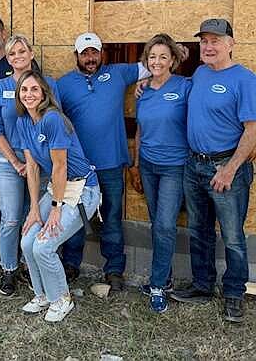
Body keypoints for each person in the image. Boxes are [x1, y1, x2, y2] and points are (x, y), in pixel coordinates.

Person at [170, 19, 256, 323]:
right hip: (194, 165)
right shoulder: (200, 72)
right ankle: (202, 285)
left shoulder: (244, 79)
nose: (208, 46)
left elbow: (252, 130)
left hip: (225, 167)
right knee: (199, 230)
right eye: (204, 41)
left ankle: (234, 294)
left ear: (231, 44)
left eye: (215, 41)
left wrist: (230, 169)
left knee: (232, 236)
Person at [57, 32, 151, 290]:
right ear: (76, 56)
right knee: (75, 217)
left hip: (111, 163)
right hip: (79, 167)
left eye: (94, 52)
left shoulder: (119, 73)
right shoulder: (63, 84)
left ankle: (114, 270)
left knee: (111, 217)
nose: (90, 58)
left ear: (101, 53)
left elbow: (155, 65)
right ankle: (71, 264)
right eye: (84, 53)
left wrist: (178, 51)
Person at [17, 70, 100, 322]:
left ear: (43, 93)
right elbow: (31, 168)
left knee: (44, 246)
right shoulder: (22, 122)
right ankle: (42, 295)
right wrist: (33, 209)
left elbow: (60, 166)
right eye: (24, 90)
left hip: (81, 189)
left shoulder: (52, 118)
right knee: (27, 242)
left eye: (34, 89)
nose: (29, 94)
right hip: (58, 188)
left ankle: (62, 299)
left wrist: (56, 208)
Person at [0, 34, 62, 296]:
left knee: (37, 216)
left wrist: (37, 162)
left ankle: (36, 268)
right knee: (10, 218)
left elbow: (55, 123)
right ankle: (9, 268)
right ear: (7, 58)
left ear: (31, 54)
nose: (18, 56)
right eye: (12, 53)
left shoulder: (49, 84)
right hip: (8, 160)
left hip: (41, 161)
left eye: (22, 51)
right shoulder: (0, 87)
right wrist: (15, 160)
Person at [129, 33, 191, 313]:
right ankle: (163, 277)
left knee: (165, 225)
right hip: (150, 166)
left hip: (174, 167)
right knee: (157, 223)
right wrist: (137, 165)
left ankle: (157, 285)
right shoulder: (142, 91)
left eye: (163, 56)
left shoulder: (185, 86)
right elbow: (140, 132)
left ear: (173, 61)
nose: (157, 61)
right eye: (152, 56)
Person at [0, 15, 42, 222]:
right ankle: (10, 244)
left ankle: (26, 247)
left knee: (30, 200)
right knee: (3, 199)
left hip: (24, 145)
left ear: (3, 34)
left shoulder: (25, 65)